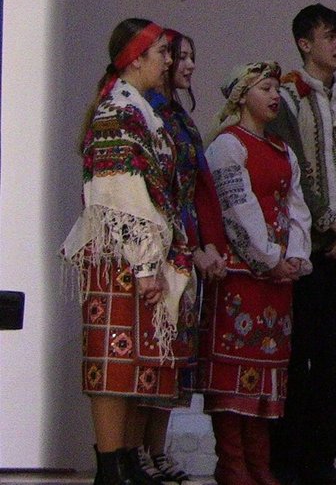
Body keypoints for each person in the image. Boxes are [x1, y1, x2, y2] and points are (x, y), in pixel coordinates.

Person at [61, 18, 180, 485]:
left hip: (139, 255)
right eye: (162, 52)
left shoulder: (142, 111)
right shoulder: (118, 112)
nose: (169, 61)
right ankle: (110, 466)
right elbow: (119, 195)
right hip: (119, 255)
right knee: (115, 359)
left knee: (139, 361)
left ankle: (128, 459)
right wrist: (146, 263)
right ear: (135, 58)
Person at [266, 4, 336, 485]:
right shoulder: (286, 99)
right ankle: (288, 461)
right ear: (304, 43)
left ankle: (321, 461)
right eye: (330, 35)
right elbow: (292, 173)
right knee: (299, 356)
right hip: (306, 251)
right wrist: (333, 226)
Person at [203, 61, 313, 485]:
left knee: (266, 374)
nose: (274, 96)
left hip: (277, 279)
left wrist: (296, 256)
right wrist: (268, 258)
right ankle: (232, 464)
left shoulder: (282, 149)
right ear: (242, 95)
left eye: (276, 89)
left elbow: (296, 206)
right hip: (241, 276)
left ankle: (258, 464)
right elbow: (237, 210)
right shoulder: (228, 146)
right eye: (265, 88)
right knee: (235, 371)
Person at [132, 30, 228, 485]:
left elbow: (201, 188)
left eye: (190, 56)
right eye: (178, 56)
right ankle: (135, 451)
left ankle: (156, 448)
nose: (186, 65)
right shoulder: (147, 113)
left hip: (186, 242)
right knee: (151, 351)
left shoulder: (182, 118)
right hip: (159, 242)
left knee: (174, 354)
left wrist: (208, 244)